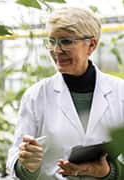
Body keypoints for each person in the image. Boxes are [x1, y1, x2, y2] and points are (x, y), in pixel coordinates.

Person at [7, 6, 124, 180]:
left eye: (66, 41)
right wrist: (27, 165)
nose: (56, 50)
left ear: (91, 45)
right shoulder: (36, 95)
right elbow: (16, 157)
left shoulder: (120, 92)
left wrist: (109, 172)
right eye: (51, 41)